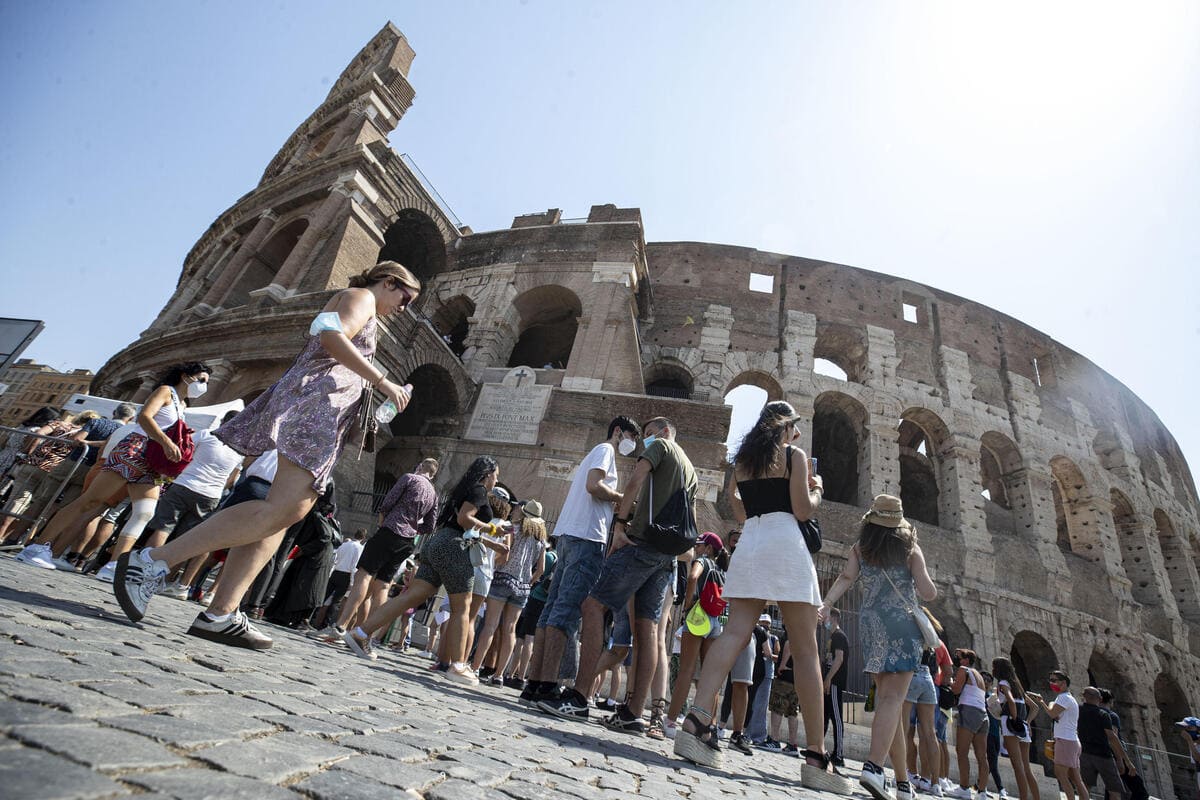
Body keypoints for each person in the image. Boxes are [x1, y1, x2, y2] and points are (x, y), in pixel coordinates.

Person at [111, 262, 419, 647]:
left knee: (278, 517)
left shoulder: (364, 302)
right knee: (287, 509)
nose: (404, 308)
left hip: (320, 408)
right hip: (315, 409)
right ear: (389, 282)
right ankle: (151, 564)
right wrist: (382, 380)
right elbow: (329, 334)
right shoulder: (361, 297)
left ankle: (221, 612)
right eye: (404, 298)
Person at [675, 401, 833, 783]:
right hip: (785, 542)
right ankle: (816, 754)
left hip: (753, 540)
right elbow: (801, 509)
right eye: (793, 429)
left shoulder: (744, 460)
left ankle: (697, 718)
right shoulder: (793, 456)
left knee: (733, 633)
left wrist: (751, 519)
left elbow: (735, 500)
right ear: (787, 428)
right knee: (807, 648)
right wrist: (818, 492)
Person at [542, 416, 695, 736]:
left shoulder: (662, 447)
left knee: (593, 606)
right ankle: (632, 713)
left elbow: (635, 481)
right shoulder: (690, 469)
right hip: (666, 556)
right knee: (648, 630)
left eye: (649, 434)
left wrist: (621, 526)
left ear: (666, 432)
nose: (645, 442)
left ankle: (579, 697)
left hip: (641, 543)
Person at [23, 362, 212, 578]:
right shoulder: (165, 391)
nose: (203, 385)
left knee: (144, 513)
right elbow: (144, 417)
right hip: (134, 449)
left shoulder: (183, 405)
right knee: (91, 501)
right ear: (186, 376)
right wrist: (167, 443)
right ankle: (37, 547)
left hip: (151, 460)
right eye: (201, 379)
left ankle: (113, 566)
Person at [341, 455, 508, 685]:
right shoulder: (479, 490)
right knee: (463, 607)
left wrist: (488, 539)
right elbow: (464, 519)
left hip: (437, 543)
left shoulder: (464, 489)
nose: (496, 481)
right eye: (496, 476)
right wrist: (491, 528)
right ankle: (458, 665)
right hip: (455, 547)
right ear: (487, 474)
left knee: (411, 596)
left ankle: (360, 633)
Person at [821, 494, 938, 800]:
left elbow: (847, 577)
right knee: (892, 699)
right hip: (902, 624)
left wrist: (828, 602)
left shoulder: (861, 548)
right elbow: (928, 593)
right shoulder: (910, 549)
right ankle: (873, 767)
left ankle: (902, 783)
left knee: (891, 703)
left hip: (871, 624)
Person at [520, 416, 640, 708]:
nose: (631, 444)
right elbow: (594, 485)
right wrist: (622, 498)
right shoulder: (606, 450)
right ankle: (549, 685)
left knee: (551, 609)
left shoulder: (597, 452)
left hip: (570, 535)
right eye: (631, 437)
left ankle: (534, 684)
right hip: (587, 539)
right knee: (567, 611)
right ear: (618, 431)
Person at [316, 457, 438, 639]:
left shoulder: (409, 478)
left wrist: (384, 522)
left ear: (420, 466)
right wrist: (413, 528)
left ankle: (340, 627)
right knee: (383, 586)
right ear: (433, 475)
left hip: (389, 530)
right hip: (407, 542)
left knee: (363, 576)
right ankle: (365, 634)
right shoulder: (434, 494)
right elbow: (430, 526)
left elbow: (387, 504)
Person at [472, 499, 547, 681]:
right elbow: (541, 569)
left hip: (503, 578)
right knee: (510, 630)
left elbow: (504, 555)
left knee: (490, 625)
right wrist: (529, 581)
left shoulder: (513, 528)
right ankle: (499, 675)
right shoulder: (541, 539)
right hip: (522, 587)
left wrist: (495, 564)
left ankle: (474, 668)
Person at [664, 531, 728, 738]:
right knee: (709, 677)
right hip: (715, 622)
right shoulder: (722, 569)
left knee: (686, 671)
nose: (696, 548)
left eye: (699, 545)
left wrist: (689, 603)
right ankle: (710, 726)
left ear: (708, 548)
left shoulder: (703, 561)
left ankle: (671, 721)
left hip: (698, 617)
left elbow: (692, 577)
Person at [3, 412, 83, 548]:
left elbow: (40, 432)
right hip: (54, 470)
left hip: (34, 463)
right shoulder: (84, 434)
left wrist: (29, 452)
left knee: (17, 500)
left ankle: (2, 534)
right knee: (37, 504)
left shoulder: (59, 424)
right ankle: (16, 539)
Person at [1026, 669, 1089, 800]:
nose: (1051, 683)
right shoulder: (1068, 699)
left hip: (1065, 741)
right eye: (1050, 681)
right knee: (1076, 779)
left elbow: (1052, 713)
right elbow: (1055, 711)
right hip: (1071, 741)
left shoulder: (1063, 698)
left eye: (1054, 680)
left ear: (1064, 683)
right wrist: (1047, 703)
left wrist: (1042, 702)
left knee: (1061, 775)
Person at [904, 611, 945, 796]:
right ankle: (935, 783)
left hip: (911, 675)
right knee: (930, 733)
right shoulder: (930, 636)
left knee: (904, 730)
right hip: (927, 677)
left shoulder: (910, 631)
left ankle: (905, 774)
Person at [993, 656, 1039, 800]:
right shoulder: (1018, 685)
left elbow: (1010, 701)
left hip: (1011, 724)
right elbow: (1035, 707)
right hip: (1023, 726)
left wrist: (1014, 718)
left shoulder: (1003, 683)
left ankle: (1023, 797)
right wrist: (1027, 722)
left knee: (1017, 766)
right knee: (1027, 767)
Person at [1077, 686, 1134, 800]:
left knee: (1085, 788)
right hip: (1103, 755)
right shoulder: (1103, 714)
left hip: (1084, 754)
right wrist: (1123, 760)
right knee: (1114, 791)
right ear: (1099, 698)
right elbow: (1112, 738)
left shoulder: (1078, 710)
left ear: (1084, 697)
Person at [947, 649, 991, 799]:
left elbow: (956, 689)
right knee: (981, 756)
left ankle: (964, 788)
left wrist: (949, 681)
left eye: (959, 657)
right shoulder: (978, 675)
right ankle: (982, 792)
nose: (957, 660)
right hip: (983, 715)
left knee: (962, 751)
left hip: (969, 710)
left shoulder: (963, 670)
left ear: (966, 660)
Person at [312, 528, 365, 627]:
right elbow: (354, 566)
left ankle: (312, 619)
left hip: (336, 572)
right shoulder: (359, 548)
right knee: (336, 601)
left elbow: (335, 558)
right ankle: (325, 624)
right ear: (363, 538)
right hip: (346, 576)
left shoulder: (344, 545)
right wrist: (352, 582)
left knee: (324, 597)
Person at [823, 607, 850, 766]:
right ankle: (818, 747)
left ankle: (839, 754)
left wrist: (828, 679)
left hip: (834, 682)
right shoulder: (832, 636)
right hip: (829, 681)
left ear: (833, 618)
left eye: (826, 617)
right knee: (825, 715)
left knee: (836, 717)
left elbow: (838, 659)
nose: (823, 620)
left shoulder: (839, 636)